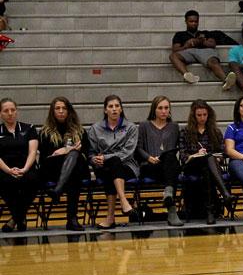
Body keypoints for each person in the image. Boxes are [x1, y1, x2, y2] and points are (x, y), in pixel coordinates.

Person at [86, 95, 139, 230]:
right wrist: (93, 159)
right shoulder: (95, 128)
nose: (114, 109)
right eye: (111, 106)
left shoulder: (131, 127)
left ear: (121, 109)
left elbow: (128, 153)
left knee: (114, 163)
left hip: (127, 166)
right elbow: (90, 152)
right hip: (102, 167)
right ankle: (123, 201)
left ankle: (110, 217)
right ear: (105, 110)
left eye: (117, 106)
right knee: (111, 168)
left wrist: (106, 157)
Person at [178, 100, 233, 225]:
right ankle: (224, 194)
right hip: (191, 166)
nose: (202, 118)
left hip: (209, 167)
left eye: (205, 115)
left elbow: (222, 154)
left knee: (207, 164)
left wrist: (214, 157)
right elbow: (183, 156)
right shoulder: (185, 132)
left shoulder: (215, 132)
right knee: (206, 159)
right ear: (193, 116)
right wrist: (196, 155)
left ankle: (209, 211)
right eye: (199, 115)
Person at [38, 97, 89, 231]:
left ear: (69, 111)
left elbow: (85, 154)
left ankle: (57, 190)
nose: (61, 111)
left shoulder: (80, 131)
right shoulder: (44, 133)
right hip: (53, 170)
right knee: (73, 175)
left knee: (74, 161)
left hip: (77, 168)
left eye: (64, 108)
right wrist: (66, 151)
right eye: (57, 108)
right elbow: (45, 157)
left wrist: (67, 150)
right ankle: (72, 219)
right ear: (52, 112)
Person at [136, 96, 183, 227]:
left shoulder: (174, 126)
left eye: (166, 108)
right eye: (160, 108)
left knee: (170, 157)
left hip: (168, 165)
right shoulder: (144, 125)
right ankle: (171, 208)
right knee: (171, 166)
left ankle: (169, 196)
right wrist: (148, 157)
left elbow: (177, 148)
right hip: (150, 166)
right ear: (154, 110)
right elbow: (138, 148)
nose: (164, 111)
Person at [170, 10, 237, 88]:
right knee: (173, 56)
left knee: (213, 60)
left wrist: (202, 41)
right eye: (191, 21)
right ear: (186, 21)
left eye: (196, 21)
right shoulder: (179, 34)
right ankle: (188, 75)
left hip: (205, 52)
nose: (194, 24)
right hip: (188, 52)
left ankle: (226, 81)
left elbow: (213, 44)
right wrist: (187, 45)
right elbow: (175, 49)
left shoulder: (205, 33)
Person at [0, 98, 38, 232]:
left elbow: (33, 151)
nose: (10, 113)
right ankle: (20, 217)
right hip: (5, 169)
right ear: (1, 113)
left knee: (34, 181)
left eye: (13, 110)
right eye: (6, 111)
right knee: (4, 183)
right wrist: (9, 170)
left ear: (17, 111)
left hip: (26, 167)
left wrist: (24, 169)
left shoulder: (30, 128)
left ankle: (15, 218)